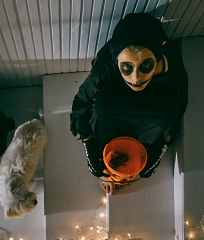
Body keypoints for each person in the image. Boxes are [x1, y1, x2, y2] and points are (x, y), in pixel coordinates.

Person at [70, 13, 188, 195]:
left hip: (155, 103)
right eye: (127, 67)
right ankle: (110, 164)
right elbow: (81, 102)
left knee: (168, 113)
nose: (136, 78)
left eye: (146, 65)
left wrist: (163, 143)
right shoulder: (104, 72)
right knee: (102, 108)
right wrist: (88, 142)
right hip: (114, 103)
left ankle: (137, 160)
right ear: (116, 60)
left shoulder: (170, 68)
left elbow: (179, 105)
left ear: (157, 56)